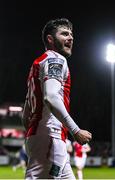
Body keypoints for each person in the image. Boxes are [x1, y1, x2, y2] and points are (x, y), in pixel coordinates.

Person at [22, 18, 92, 179]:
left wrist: (35, 133)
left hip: (46, 137)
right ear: (50, 39)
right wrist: (75, 130)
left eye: (71, 34)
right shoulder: (55, 59)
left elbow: (26, 114)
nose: (71, 38)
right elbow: (51, 97)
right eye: (64, 34)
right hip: (50, 137)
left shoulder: (38, 63)